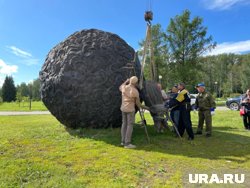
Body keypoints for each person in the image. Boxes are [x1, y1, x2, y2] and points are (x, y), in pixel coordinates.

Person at [119, 76, 149, 149]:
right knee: (130, 125)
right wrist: (147, 108)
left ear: (130, 81)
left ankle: (123, 141)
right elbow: (138, 104)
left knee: (124, 124)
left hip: (123, 108)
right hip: (130, 110)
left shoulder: (124, 87)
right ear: (136, 83)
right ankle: (127, 143)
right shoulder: (135, 91)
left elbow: (120, 86)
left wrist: (126, 81)